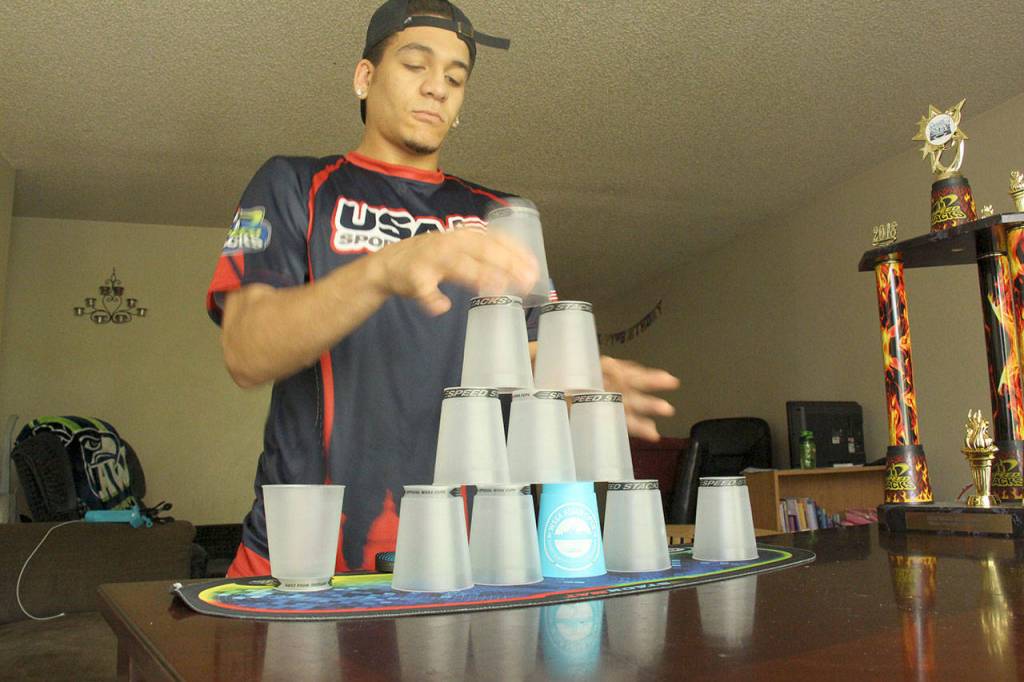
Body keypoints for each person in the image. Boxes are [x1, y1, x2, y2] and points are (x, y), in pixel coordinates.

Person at [206, 0, 679, 576]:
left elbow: (527, 359)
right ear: (365, 76)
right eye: (415, 65)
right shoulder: (295, 184)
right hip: (300, 556)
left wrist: (574, 382)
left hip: (471, 554)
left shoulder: (503, 214)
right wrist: (383, 269)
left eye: (456, 78)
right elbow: (246, 353)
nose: (437, 88)